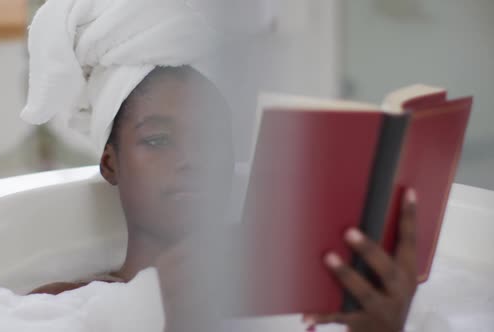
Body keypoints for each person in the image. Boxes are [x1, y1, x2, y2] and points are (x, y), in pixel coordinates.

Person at [22, 1, 418, 331]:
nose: (192, 159)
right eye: (158, 140)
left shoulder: (302, 305)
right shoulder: (61, 309)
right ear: (111, 163)